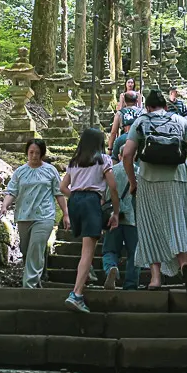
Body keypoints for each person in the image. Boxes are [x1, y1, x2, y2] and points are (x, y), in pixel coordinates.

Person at [122, 89, 187, 296]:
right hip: (178, 180)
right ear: (165, 105)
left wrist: (132, 181)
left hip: (149, 180)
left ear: (148, 107)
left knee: (151, 226)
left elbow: (127, 155)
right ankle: (184, 265)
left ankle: (155, 278)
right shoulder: (180, 121)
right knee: (179, 223)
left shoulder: (141, 122)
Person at [60, 128, 120, 313]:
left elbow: (63, 187)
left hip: (75, 201)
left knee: (85, 247)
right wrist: (115, 212)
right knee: (88, 250)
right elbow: (113, 187)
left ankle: (84, 276)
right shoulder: (103, 159)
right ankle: (76, 294)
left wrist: (77, 196)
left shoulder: (75, 161)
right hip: (91, 201)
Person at [0, 139, 69, 289]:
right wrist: (4, 206)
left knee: (36, 248)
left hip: (44, 216)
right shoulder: (20, 172)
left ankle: (28, 286)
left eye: (37, 153)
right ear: (27, 153)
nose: (34, 155)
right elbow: (12, 191)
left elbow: (59, 193)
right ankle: (37, 281)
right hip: (24, 216)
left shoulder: (50, 170)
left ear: (42, 154)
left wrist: (66, 214)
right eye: (31, 152)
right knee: (26, 250)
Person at [102, 157, 140, 290]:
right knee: (134, 253)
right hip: (132, 219)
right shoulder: (139, 172)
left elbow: (104, 193)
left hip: (113, 217)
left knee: (110, 250)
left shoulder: (110, 171)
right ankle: (131, 284)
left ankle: (111, 267)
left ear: (119, 156)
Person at [109, 91, 143, 155]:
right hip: (140, 138)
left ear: (124, 101)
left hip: (125, 137)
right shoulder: (142, 112)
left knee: (115, 158)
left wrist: (110, 148)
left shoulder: (120, 113)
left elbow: (113, 132)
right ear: (136, 101)